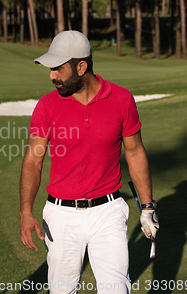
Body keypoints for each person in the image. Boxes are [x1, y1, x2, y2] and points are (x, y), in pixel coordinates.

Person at [19, 30, 159, 294]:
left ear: (81, 66)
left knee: (116, 289)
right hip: (60, 215)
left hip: (107, 211)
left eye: (58, 69)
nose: (51, 76)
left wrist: (147, 207)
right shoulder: (46, 106)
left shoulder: (121, 99)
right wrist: (25, 211)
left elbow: (135, 152)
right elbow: (32, 161)